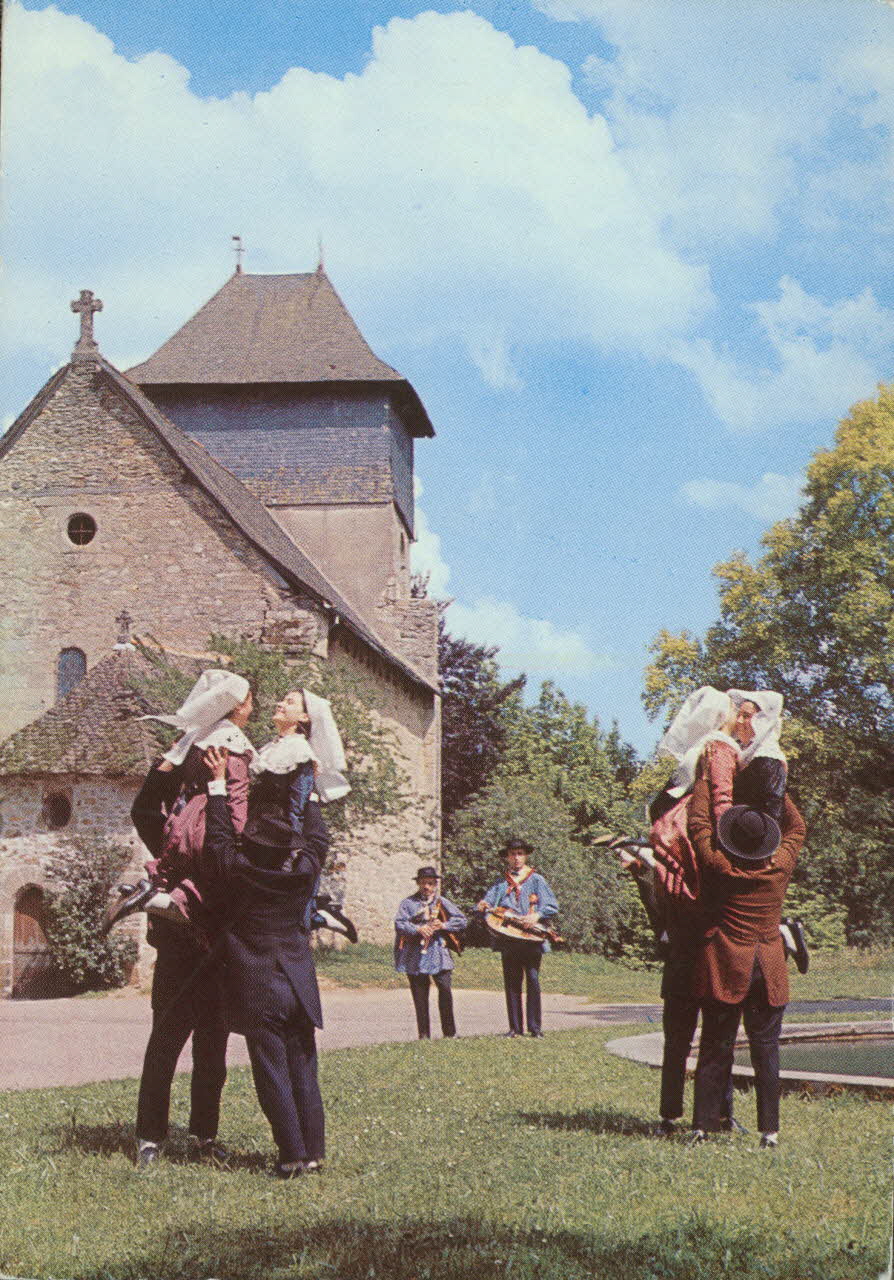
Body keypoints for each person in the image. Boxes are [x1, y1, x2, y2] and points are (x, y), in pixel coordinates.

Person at [124, 670, 254, 1169]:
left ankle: (199, 1135)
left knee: (211, 1045)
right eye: (247, 702)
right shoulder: (179, 837)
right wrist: (166, 766)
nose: (251, 709)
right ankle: (152, 1137)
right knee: (170, 1039)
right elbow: (143, 810)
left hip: (216, 934)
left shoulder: (204, 833)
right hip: (188, 937)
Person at [202, 743, 330, 1177]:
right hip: (299, 984)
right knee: (303, 1068)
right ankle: (314, 1152)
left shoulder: (239, 874)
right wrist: (309, 792)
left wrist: (217, 786)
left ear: (252, 845)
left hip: (259, 986)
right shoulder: (300, 876)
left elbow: (217, 839)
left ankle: (292, 1156)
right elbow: (317, 840)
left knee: (272, 1071)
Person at [689, 777, 807, 1148]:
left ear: (732, 839)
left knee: (715, 1046)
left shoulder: (720, 866)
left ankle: (702, 1126)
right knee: (766, 1049)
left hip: (726, 965)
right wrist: (774, 787)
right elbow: (798, 826)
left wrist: (706, 780)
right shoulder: (780, 867)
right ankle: (769, 1131)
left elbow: (697, 824)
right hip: (768, 967)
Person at [478, 838, 558, 1039]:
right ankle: (515, 1028)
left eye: (520, 853)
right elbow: (488, 902)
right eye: (512, 854)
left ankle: (535, 1028)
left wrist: (536, 916)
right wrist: (482, 905)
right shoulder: (500, 883)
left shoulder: (537, 879)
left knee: (532, 979)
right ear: (507, 857)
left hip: (530, 937)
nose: (516, 858)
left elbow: (551, 905)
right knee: (512, 981)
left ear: (526, 855)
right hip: (509, 938)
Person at [394, 867, 466, 1040]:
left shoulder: (442, 902)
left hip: (438, 954)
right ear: (418, 883)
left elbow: (461, 920)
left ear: (435, 885)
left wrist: (443, 925)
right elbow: (399, 923)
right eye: (424, 882)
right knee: (419, 995)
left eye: (430, 883)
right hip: (415, 956)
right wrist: (418, 929)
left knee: (445, 991)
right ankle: (424, 1035)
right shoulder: (407, 903)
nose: (427, 886)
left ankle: (449, 1033)